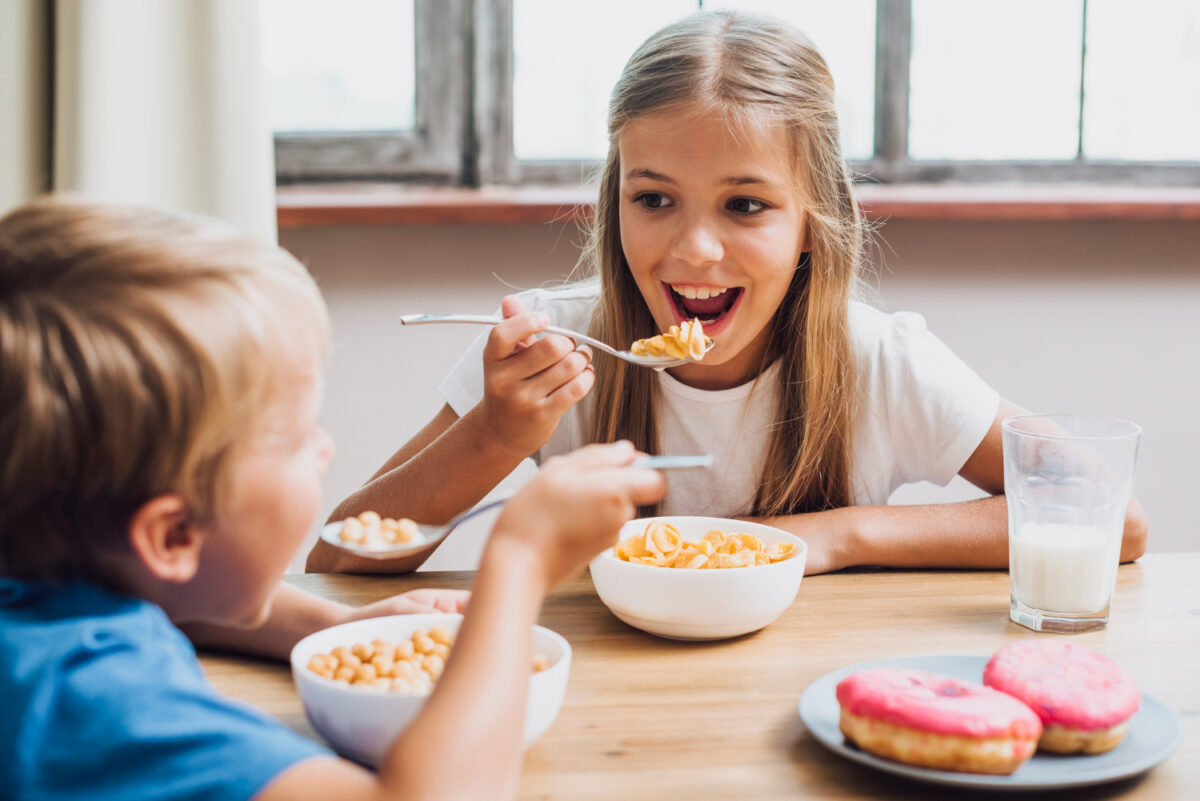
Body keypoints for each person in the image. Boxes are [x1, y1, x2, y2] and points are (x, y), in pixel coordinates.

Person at [307, 10, 1147, 576]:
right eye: (654, 199)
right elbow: (336, 561)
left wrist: (833, 535)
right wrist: (493, 435)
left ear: (814, 222)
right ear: (617, 202)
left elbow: (1112, 517)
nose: (693, 250)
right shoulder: (551, 344)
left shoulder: (877, 360)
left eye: (745, 205)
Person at [0, 195, 665, 801]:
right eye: (294, 437)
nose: (324, 447)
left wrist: (329, 628)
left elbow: (154, 586)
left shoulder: (48, 575)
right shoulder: (101, 709)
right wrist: (519, 561)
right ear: (173, 534)